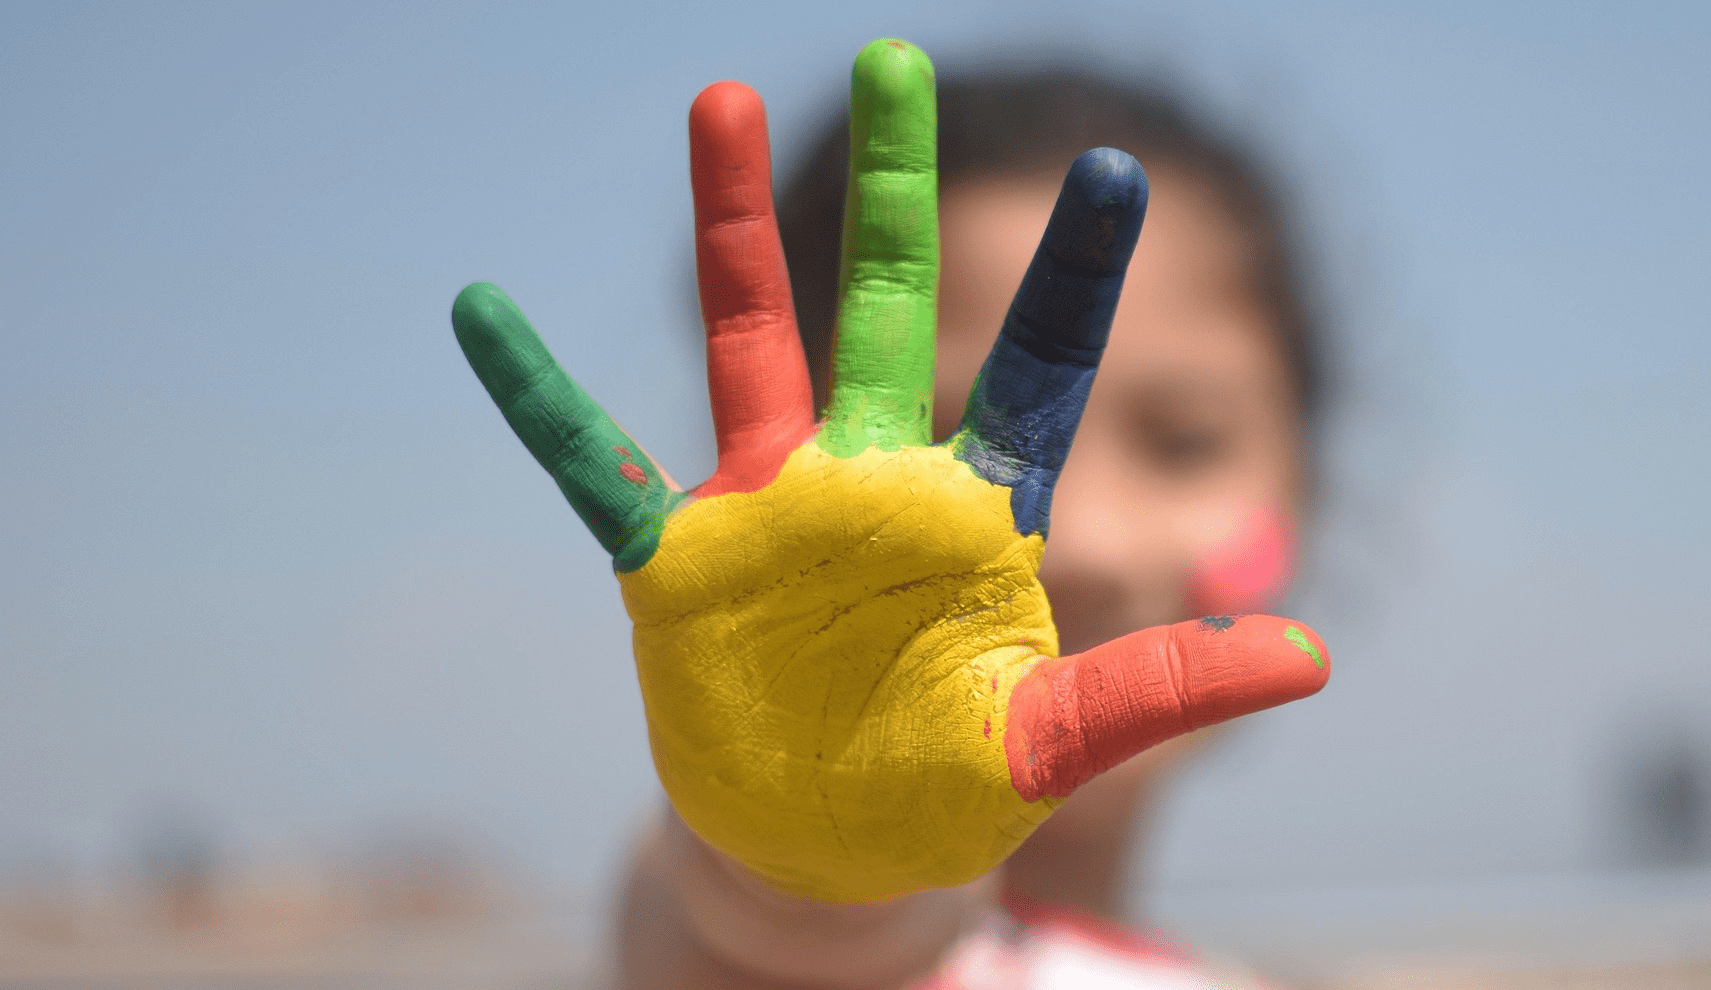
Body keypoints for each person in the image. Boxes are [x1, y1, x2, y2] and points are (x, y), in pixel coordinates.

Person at [452, 39, 1328, 990]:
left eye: (1184, 440)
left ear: (1305, 477)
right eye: (955, 440)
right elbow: (753, 931)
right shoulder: (755, 924)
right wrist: (815, 865)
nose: (1088, 544)